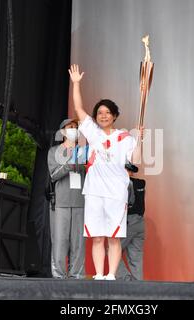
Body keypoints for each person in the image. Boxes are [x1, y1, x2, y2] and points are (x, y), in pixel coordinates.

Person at [68, 64, 143, 280]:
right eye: (99, 113)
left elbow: (136, 161)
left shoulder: (125, 138)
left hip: (116, 192)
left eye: (107, 112)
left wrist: (140, 141)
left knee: (114, 237)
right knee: (97, 237)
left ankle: (111, 275)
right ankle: (99, 275)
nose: (103, 116)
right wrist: (76, 84)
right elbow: (79, 109)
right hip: (94, 191)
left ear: (115, 115)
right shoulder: (92, 133)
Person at [47, 118, 87, 279]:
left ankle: (77, 275)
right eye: (70, 127)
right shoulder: (54, 151)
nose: (73, 129)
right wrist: (70, 163)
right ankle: (59, 276)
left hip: (80, 201)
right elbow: (54, 174)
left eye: (76, 127)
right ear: (63, 132)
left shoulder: (84, 150)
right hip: (61, 202)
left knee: (78, 242)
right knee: (60, 240)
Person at [117, 162, 145, 281]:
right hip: (140, 223)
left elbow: (126, 204)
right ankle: (138, 286)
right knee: (136, 257)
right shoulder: (141, 183)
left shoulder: (123, 183)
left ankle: (126, 279)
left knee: (113, 251)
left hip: (128, 221)